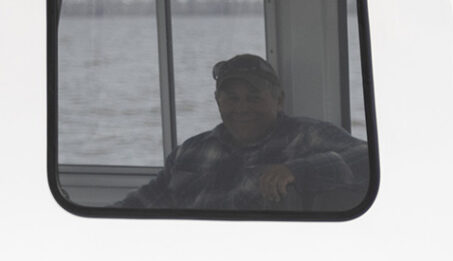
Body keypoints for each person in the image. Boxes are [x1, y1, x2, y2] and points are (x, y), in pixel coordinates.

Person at [118, 53, 371, 213]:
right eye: (232, 98)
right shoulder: (191, 150)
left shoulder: (305, 135)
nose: (242, 108)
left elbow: (369, 158)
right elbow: (145, 202)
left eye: (254, 98)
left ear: (278, 100)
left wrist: (296, 170)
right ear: (218, 101)